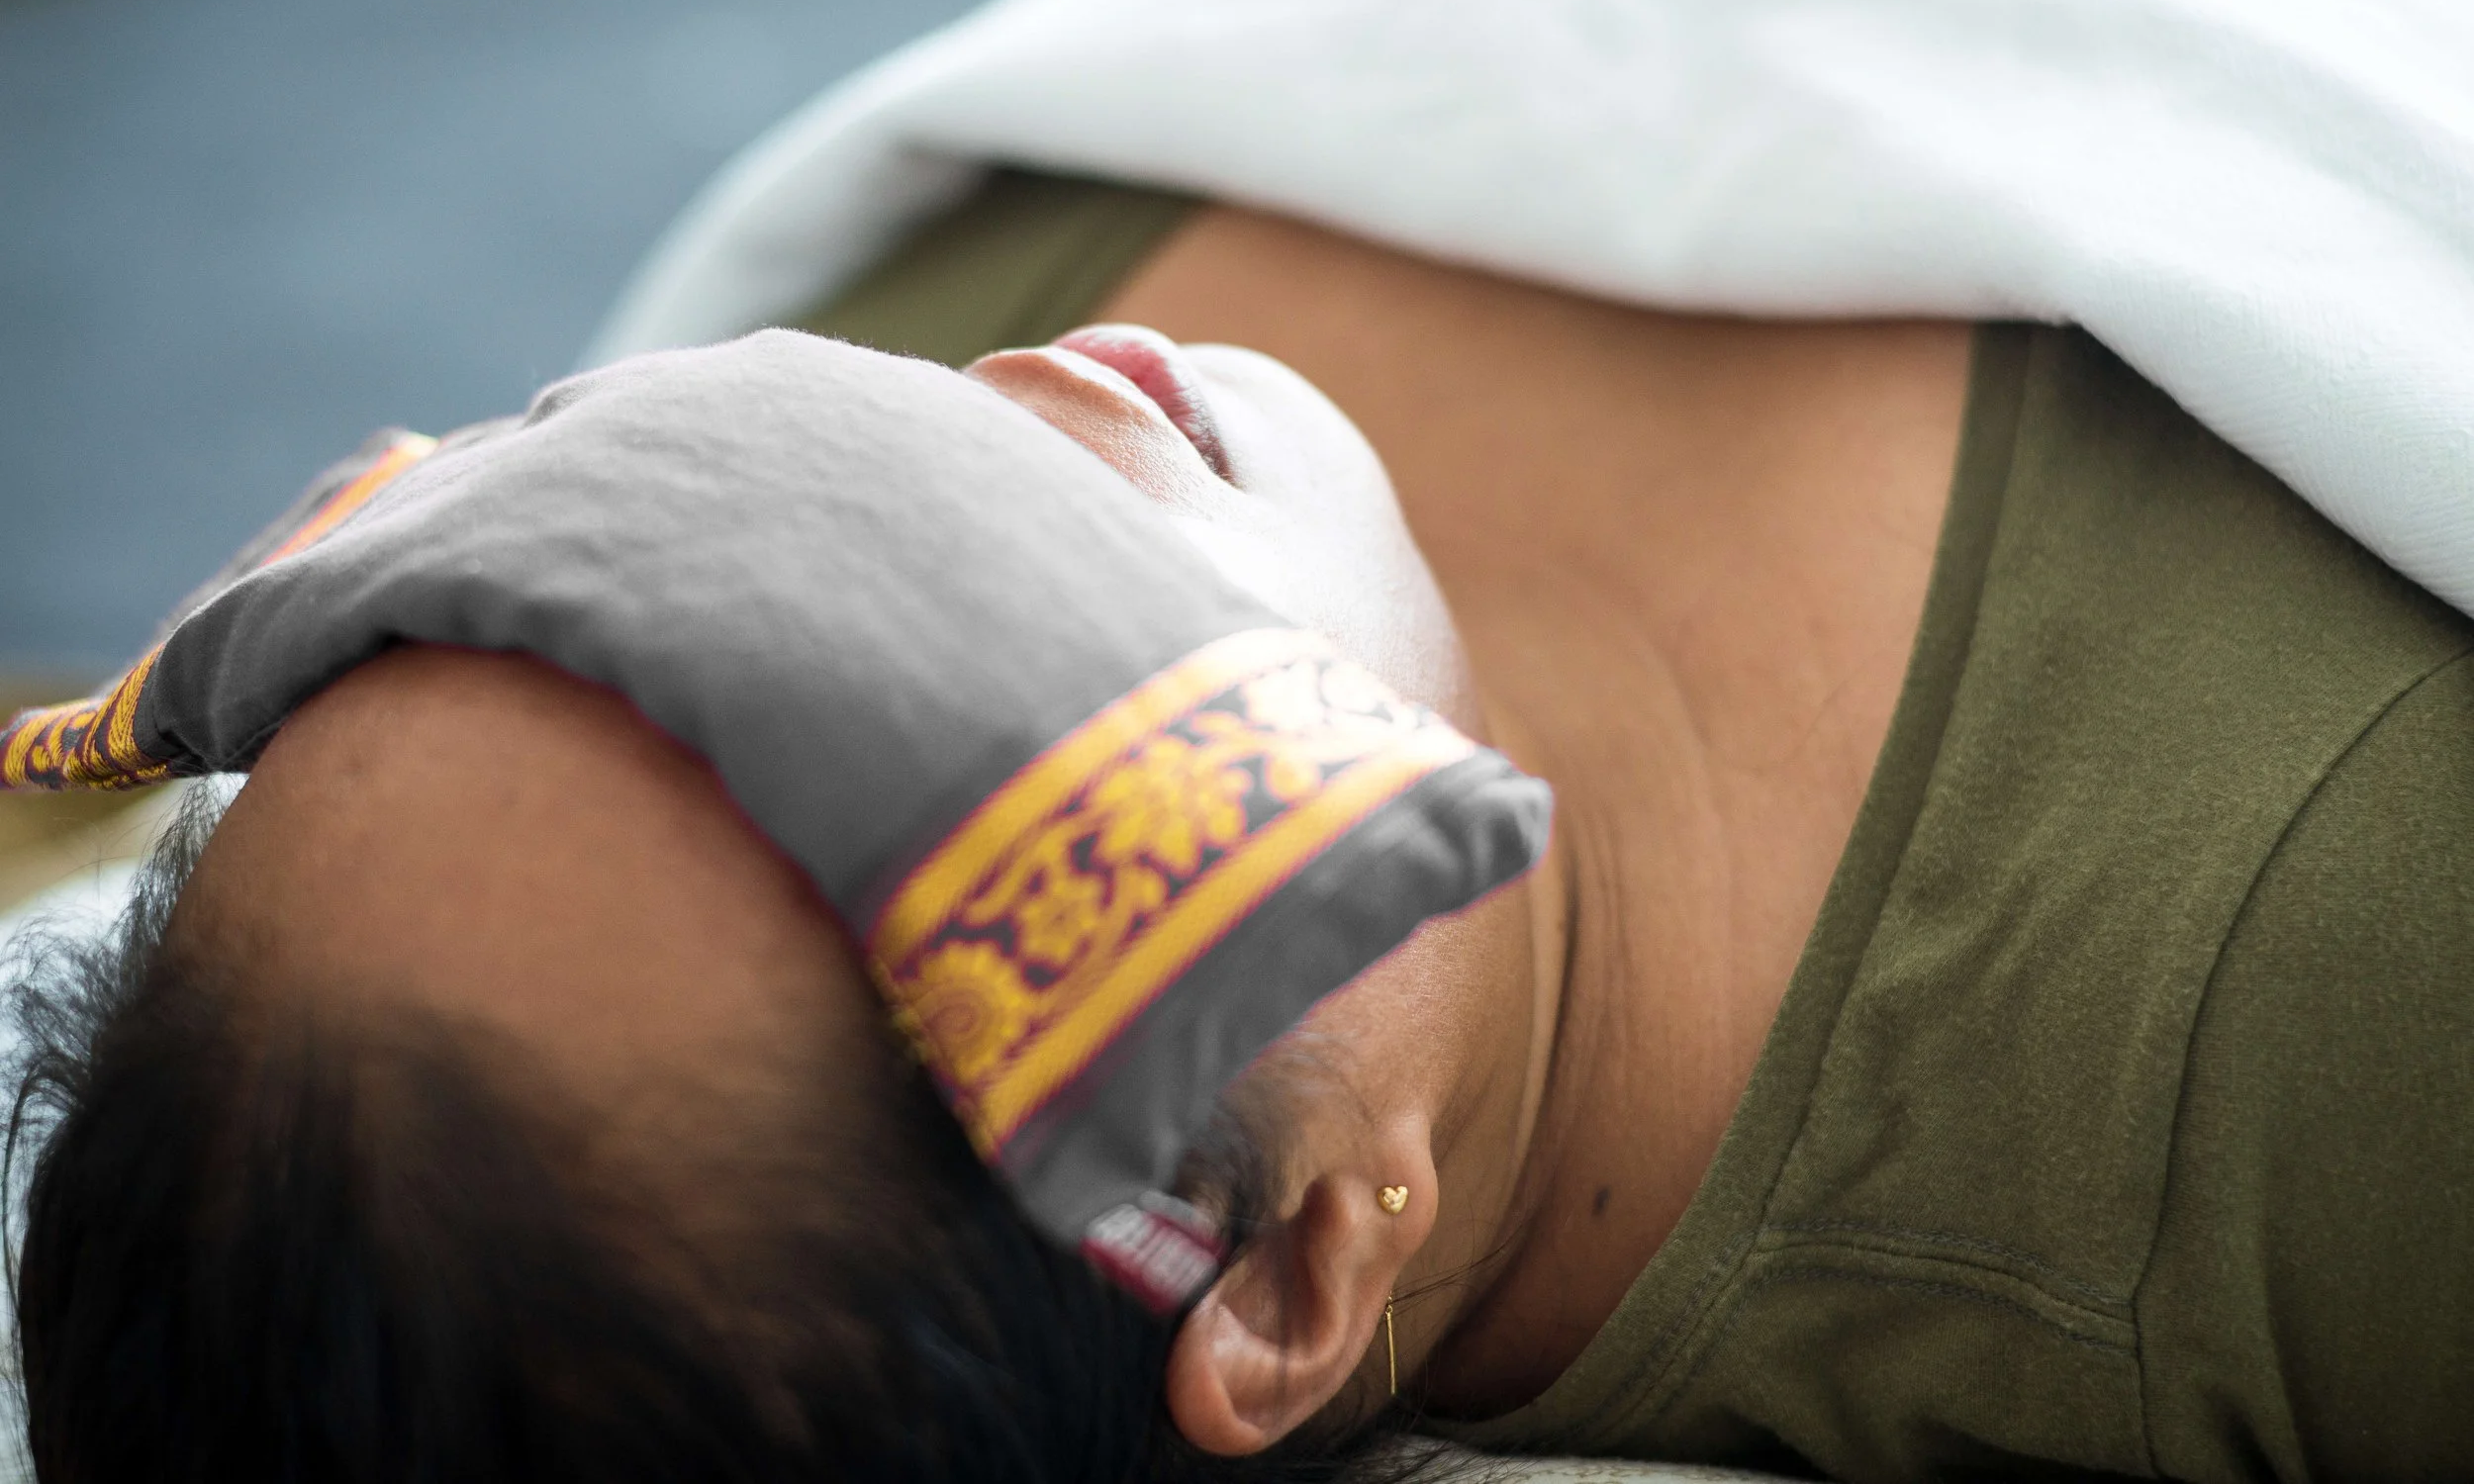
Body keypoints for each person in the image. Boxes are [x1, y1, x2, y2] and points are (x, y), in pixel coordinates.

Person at [10, 165, 2474, 1484]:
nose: (1006, 398)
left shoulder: (1016, 292)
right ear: (1287, 1271)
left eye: (569, 543)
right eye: (968, 649)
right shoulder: (2344, 1075)